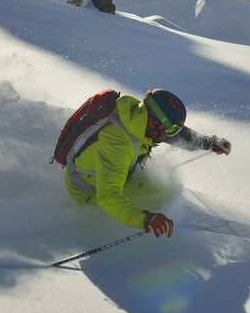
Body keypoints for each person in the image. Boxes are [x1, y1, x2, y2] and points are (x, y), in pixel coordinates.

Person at [63, 89, 230, 238]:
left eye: (174, 130)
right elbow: (108, 197)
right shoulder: (118, 144)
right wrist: (146, 220)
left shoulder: (137, 117)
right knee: (157, 199)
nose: (170, 134)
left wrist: (208, 143)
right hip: (89, 191)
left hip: (112, 173)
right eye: (171, 129)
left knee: (160, 189)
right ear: (155, 123)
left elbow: (174, 134)